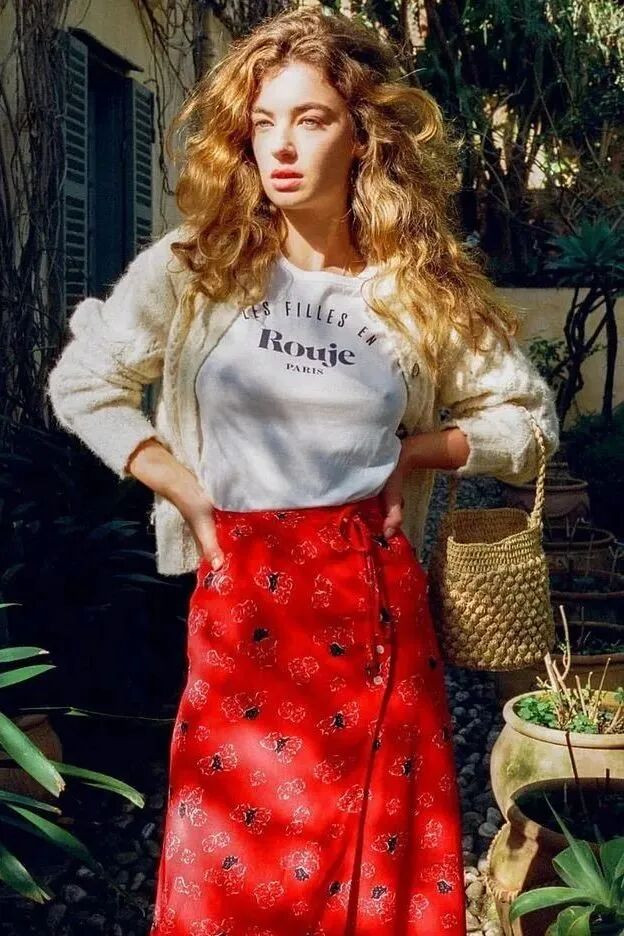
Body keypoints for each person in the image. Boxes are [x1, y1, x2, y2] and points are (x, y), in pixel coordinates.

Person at [46, 8, 560, 935]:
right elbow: (85, 382)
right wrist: (181, 487)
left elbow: (528, 421)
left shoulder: (415, 288)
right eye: (263, 122)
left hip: (370, 592)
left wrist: (420, 451)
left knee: (370, 860)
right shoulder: (197, 268)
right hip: (241, 596)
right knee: (232, 861)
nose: (281, 146)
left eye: (312, 119)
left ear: (364, 135)